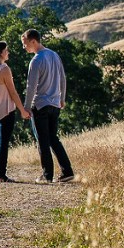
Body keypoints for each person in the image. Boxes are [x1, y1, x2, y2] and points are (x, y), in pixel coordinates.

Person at [21, 29, 75, 183]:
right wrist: (62, 98)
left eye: (24, 44)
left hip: (40, 105)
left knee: (43, 141)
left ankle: (47, 175)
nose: (24, 47)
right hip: (55, 104)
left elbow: (31, 87)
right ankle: (67, 172)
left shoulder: (36, 60)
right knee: (53, 139)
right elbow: (63, 78)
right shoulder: (54, 55)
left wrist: (26, 107)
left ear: (33, 41)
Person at [0, 41, 30, 182]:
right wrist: (23, 110)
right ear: (1, 53)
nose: (8, 52)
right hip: (5, 109)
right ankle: (2, 175)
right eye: (6, 50)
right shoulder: (4, 69)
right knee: (2, 143)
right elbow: (13, 92)